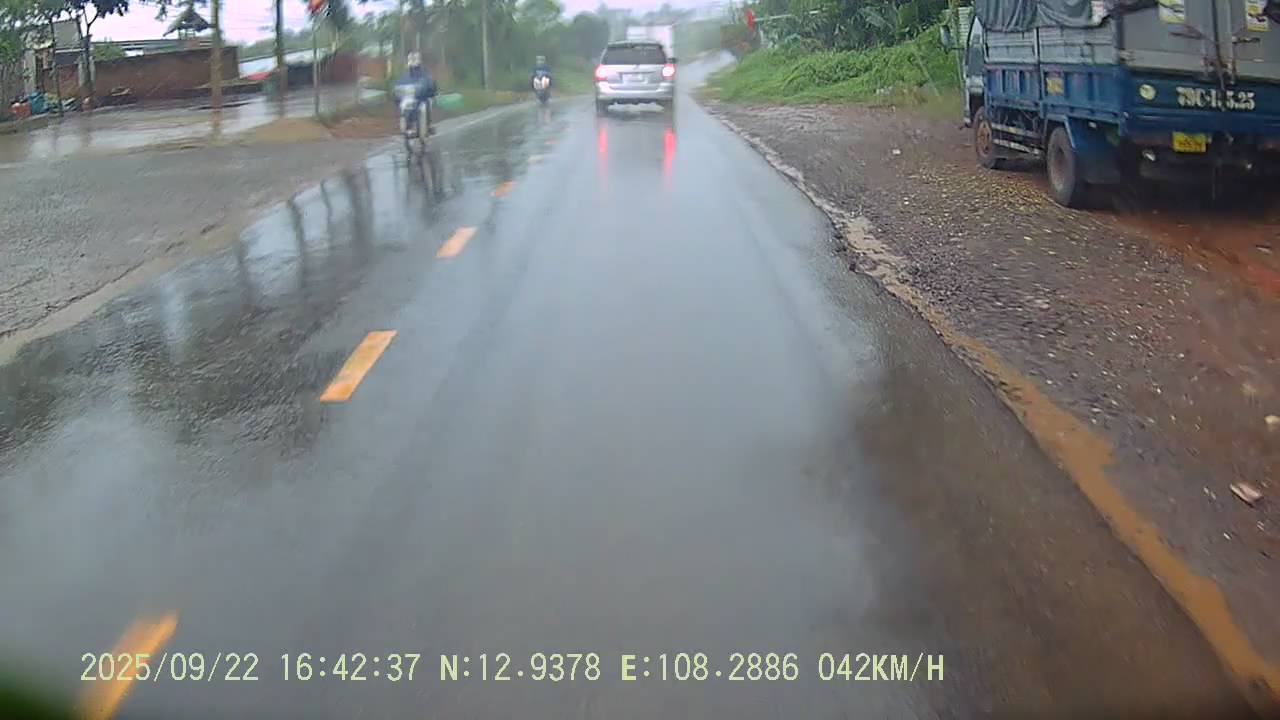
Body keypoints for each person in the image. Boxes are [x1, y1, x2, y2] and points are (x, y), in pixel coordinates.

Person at [395, 52, 437, 135]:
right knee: (404, 107)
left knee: (428, 102)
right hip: (410, 97)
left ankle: (429, 125)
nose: (413, 64)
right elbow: (400, 83)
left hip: (422, 96)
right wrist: (397, 92)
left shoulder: (424, 72)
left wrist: (432, 90)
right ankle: (408, 127)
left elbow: (430, 82)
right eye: (411, 60)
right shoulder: (406, 73)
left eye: (414, 60)